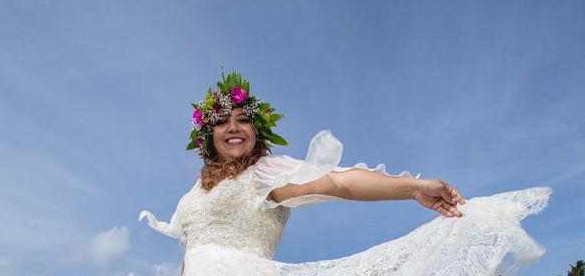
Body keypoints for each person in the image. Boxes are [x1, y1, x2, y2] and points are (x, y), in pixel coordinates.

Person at [140, 71, 550, 276]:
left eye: (243, 120)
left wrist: (412, 187)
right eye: (222, 121)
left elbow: (337, 182)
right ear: (207, 134)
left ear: (256, 132)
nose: (233, 128)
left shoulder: (266, 172)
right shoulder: (191, 195)